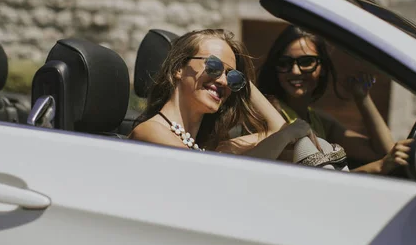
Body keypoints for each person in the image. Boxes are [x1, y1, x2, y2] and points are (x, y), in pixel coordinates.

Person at [129, 29, 320, 159]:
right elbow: (213, 177)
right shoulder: (150, 132)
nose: (223, 81)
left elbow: (276, 130)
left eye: (231, 77)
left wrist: (239, 76)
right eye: (213, 66)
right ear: (179, 68)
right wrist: (285, 136)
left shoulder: (210, 147)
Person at [257, 25, 412, 174]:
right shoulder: (273, 115)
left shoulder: (318, 120)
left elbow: (381, 150)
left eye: (306, 62)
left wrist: (362, 97)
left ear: (323, 67)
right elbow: (316, 178)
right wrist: (378, 167)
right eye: (284, 63)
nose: (295, 71)